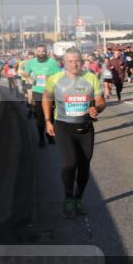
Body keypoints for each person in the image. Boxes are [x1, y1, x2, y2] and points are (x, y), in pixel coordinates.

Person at [43, 48, 106, 218]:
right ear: (64, 62)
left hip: (85, 128)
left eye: (77, 60)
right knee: (69, 164)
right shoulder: (55, 79)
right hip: (63, 127)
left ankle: (78, 198)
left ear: (82, 61)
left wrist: (96, 109)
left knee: (84, 167)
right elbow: (46, 98)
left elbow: (100, 101)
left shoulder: (91, 78)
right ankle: (68, 198)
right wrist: (48, 120)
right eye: (70, 61)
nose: (74, 64)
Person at [20, 44, 62, 147]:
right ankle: (41, 138)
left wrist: (51, 79)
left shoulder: (52, 62)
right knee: (39, 115)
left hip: (49, 91)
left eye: (43, 51)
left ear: (46, 51)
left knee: (50, 114)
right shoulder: (31, 62)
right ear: (36, 52)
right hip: (37, 91)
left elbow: (58, 74)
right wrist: (29, 78)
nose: (41, 53)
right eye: (39, 51)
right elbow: (24, 73)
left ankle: (50, 136)